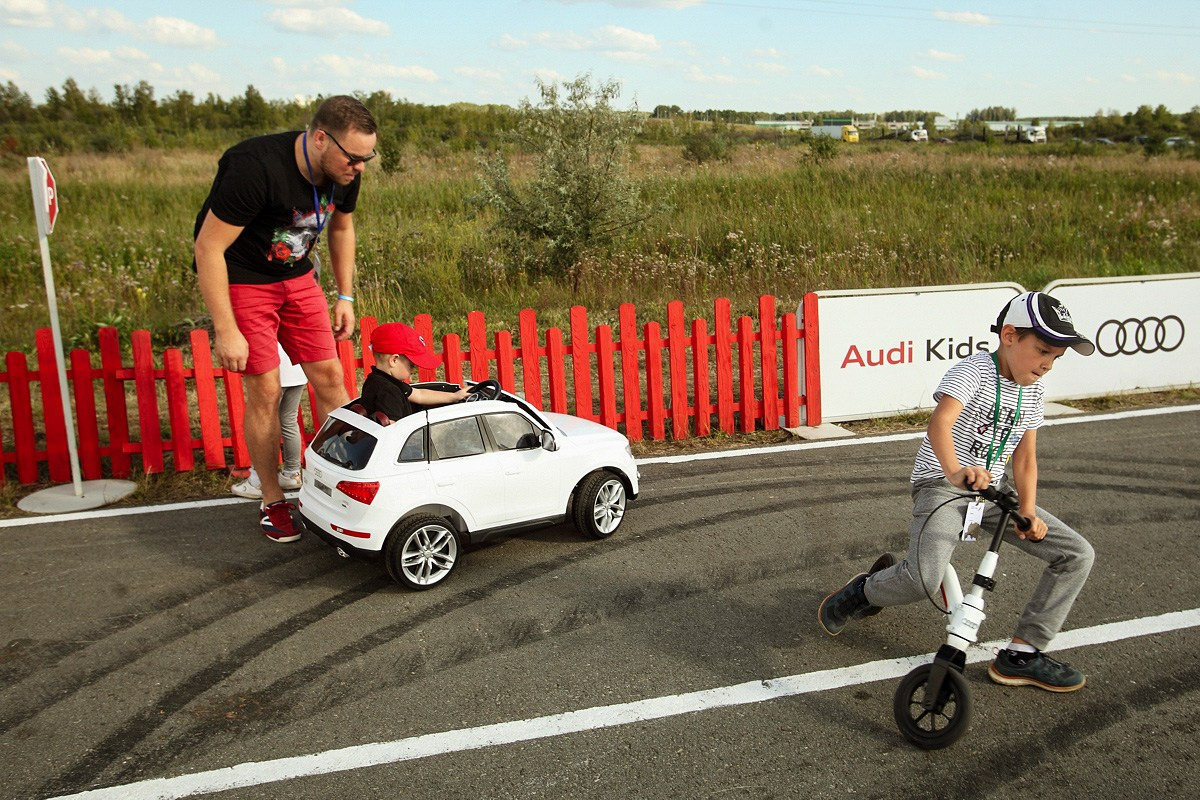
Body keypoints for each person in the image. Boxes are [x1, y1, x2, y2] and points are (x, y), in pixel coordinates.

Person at [818, 291, 1097, 693]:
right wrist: (955, 472)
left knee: (1076, 554)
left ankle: (1023, 653)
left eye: (1055, 358)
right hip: (942, 486)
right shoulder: (973, 371)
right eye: (1043, 351)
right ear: (1009, 336)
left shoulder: (1032, 390)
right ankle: (862, 591)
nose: (1047, 365)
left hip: (992, 494)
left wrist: (1030, 512)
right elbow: (940, 424)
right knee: (922, 580)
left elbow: (1025, 457)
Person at [194, 95, 377, 543]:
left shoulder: (344, 172)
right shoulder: (253, 166)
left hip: (297, 277)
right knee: (267, 388)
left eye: (367, 157)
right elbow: (208, 247)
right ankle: (273, 498)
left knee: (332, 378)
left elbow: (341, 227)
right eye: (353, 157)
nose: (360, 167)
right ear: (319, 139)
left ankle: (344, 482)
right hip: (244, 280)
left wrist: (345, 294)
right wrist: (227, 329)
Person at [231, 344, 309, 499]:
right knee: (289, 422)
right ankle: (292, 474)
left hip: (272, 372)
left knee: (264, 422)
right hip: (297, 370)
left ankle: (258, 479)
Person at [360, 322, 468, 421]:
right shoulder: (389, 392)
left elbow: (420, 395)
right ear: (394, 360)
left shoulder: (377, 379)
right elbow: (392, 429)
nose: (413, 369)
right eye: (412, 365)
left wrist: (454, 396)